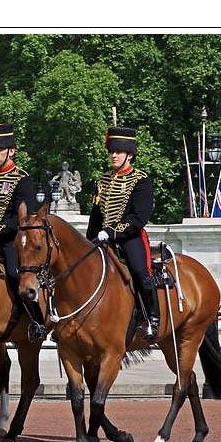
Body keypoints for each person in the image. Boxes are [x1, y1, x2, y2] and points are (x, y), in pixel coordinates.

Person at [0, 122, 47, 341]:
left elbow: (23, 220)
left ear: (11, 151)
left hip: (10, 240)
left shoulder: (22, 180)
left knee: (15, 274)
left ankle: (36, 320)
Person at [86, 126, 159, 340]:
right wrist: (91, 238)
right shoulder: (103, 181)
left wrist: (112, 232)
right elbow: (95, 216)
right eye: (111, 151)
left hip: (129, 237)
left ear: (130, 154)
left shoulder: (141, 180)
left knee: (140, 272)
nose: (114, 155)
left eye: (118, 151)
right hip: (102, 238)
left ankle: (152, 317)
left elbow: (139, 217)